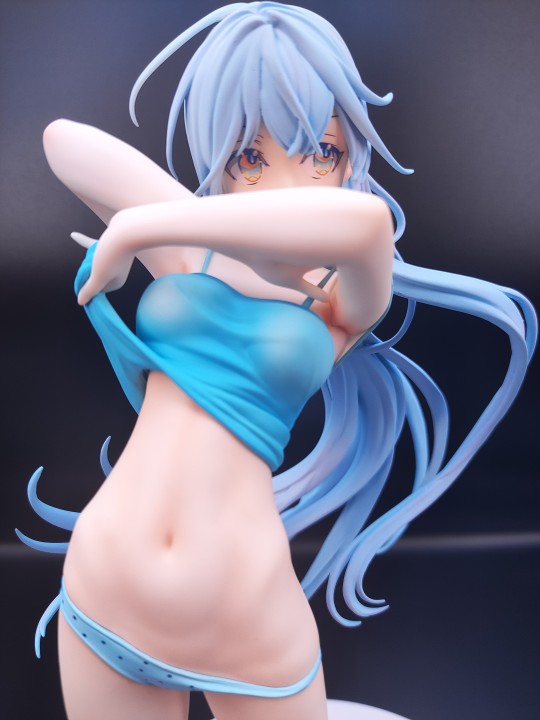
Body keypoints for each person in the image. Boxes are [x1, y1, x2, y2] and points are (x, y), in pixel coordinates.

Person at [16, 3, 536, 720]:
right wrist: (171, 227)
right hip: (106, 591)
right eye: (250, 158)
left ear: (350, 157)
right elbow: (63, 141)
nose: (290, 181)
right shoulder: (192, 253)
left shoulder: (344, 296)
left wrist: (138, 226)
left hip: (245, 622)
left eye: (321, 153)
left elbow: (360, 223)